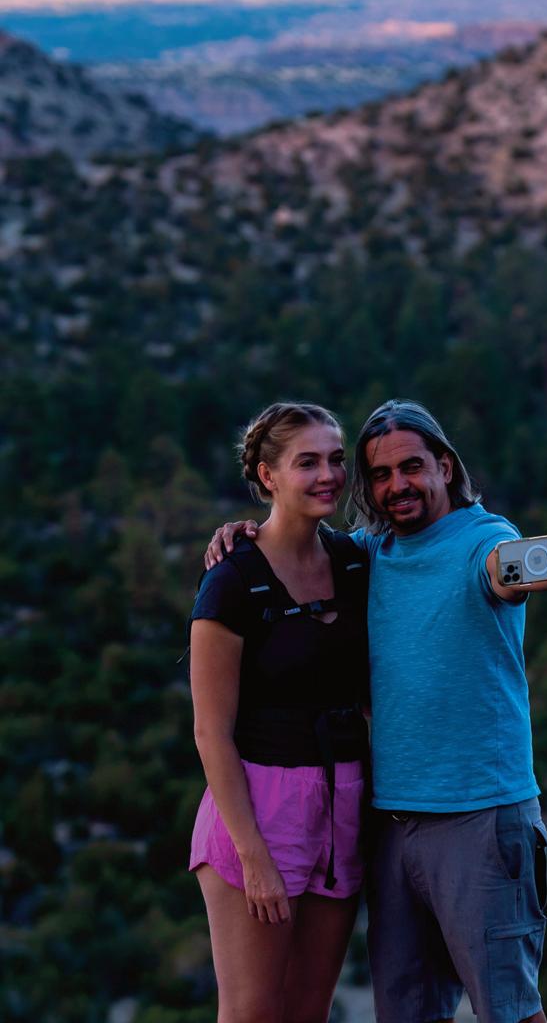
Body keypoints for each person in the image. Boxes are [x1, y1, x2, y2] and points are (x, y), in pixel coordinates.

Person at [207, 397, 547, 1023]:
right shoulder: (367, 553)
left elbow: (504, 568)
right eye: (380, 475)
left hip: (478, 819)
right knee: (408, 1013)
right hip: (388, 825)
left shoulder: (481, 539)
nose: (397, 486)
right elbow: (298, 544)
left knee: (510, 1011)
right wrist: (244, 534)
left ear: (445, 465)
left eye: (412, 467)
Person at [190, 401, 370, 1023]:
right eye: (307, 462)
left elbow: (438, 554)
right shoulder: (232, 581)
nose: (328, 475)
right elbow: (211, 732)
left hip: (343, 803)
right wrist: (253, 856)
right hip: (259, 809)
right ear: (268, 476)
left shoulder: (355, 562)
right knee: (251, 1013)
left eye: (336, 460)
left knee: (307, 1011)